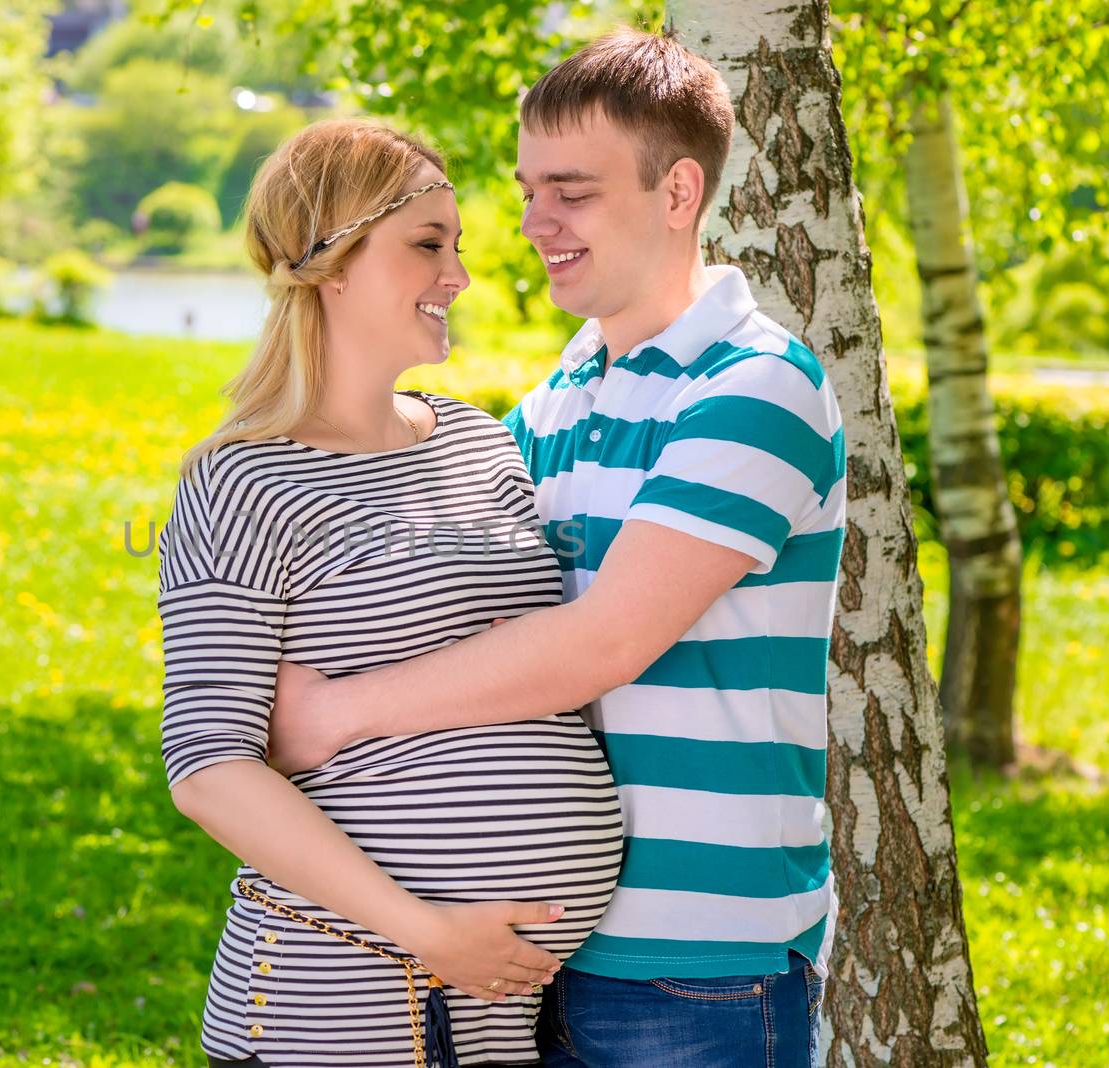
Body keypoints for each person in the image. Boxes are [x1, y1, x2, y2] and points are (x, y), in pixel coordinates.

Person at [266, 29, 846, 1068]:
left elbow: (599, 644)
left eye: (570, 191)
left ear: (677, 193)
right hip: (528, 962)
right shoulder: (551, 405)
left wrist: (333, 712)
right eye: (528, 190)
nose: (534, 225)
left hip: (699, 970)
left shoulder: (756, 389)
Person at [156, 117, 624, 1067]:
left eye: (458, 247)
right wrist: (426, 929)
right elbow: (209, 770)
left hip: (503, 1018)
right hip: (341, 1011)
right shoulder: (242, 481)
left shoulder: (480, 442)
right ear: (329, 262)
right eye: (426, 245)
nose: (458, 275)